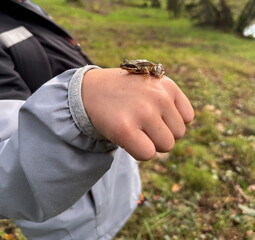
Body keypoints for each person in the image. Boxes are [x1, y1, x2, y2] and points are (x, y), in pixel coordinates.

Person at [0, 0, 194, 239]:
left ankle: (134, 199)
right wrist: (78, 105)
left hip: (110, 162)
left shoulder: (26, 6)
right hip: (73, 218)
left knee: (123, 190)